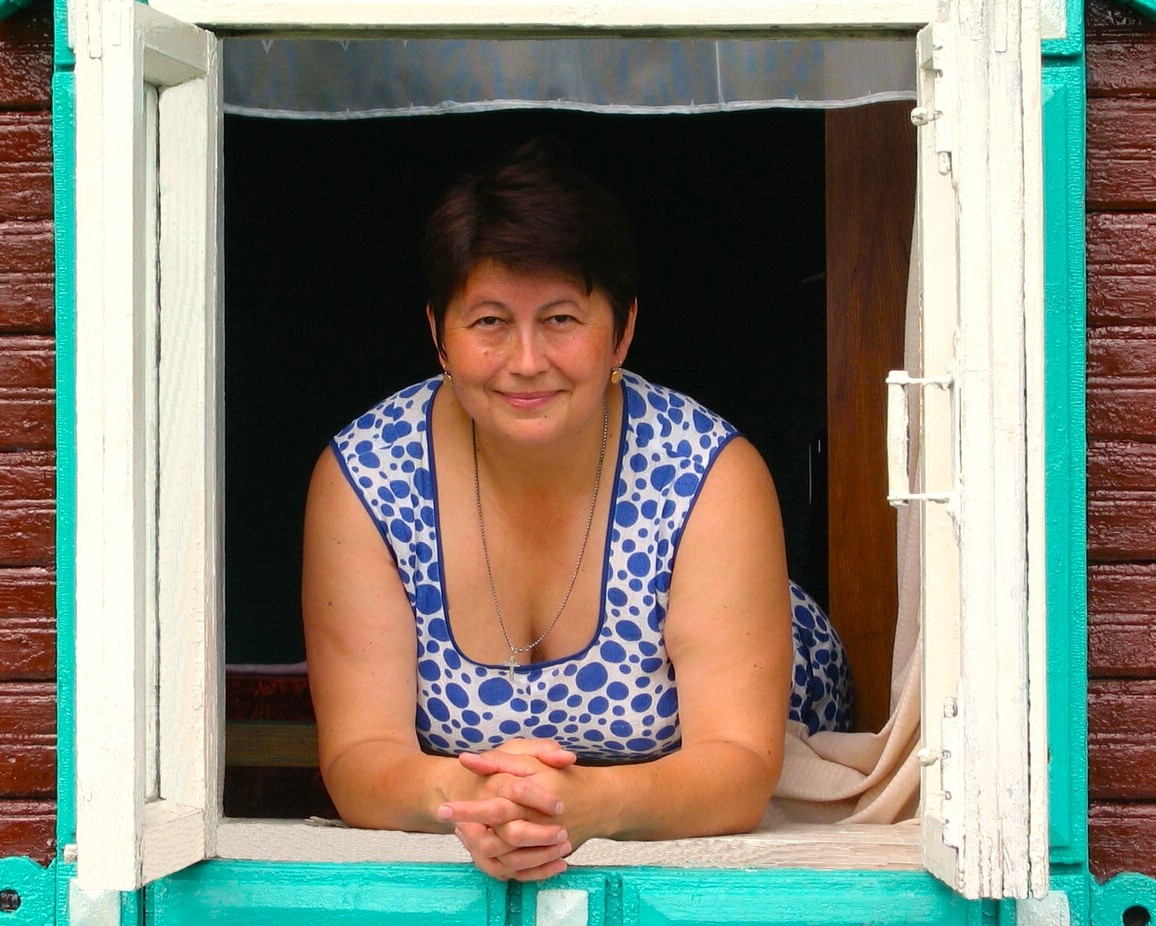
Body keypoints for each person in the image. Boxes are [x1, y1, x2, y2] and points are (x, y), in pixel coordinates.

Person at [302, 139, 844, 883]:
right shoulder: (365, 477)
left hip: (759, 709)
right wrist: (469, 798)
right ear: (439, 336)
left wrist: (587, 805)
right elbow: (358, 756)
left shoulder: (710, 472)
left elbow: (742, 767)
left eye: (561, 319)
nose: (527, 361)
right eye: (489, 322)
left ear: (622, 331)